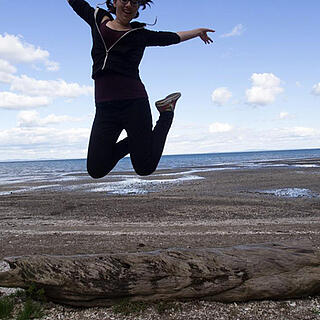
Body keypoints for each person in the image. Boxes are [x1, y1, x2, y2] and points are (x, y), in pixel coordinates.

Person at [67, 0, 214, 178]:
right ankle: (139, 139)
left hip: (134, 104)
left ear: (138, 8)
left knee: (145, 167)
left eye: (135, 2)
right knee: (96, 169)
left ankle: (166, 112)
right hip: (105, 109)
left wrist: (197, 32)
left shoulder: (139, 35)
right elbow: (77, 3)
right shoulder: (98, 19)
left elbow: (172, 37)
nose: (129, 5)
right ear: (114, 2)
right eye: (125, 0)